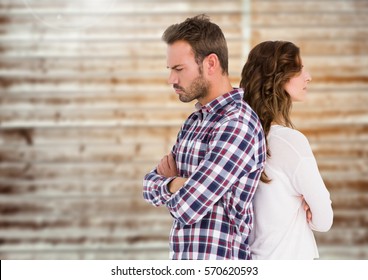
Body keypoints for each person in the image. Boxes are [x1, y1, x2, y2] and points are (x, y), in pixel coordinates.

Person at [142, 14, 266, 260]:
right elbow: (147, 186)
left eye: (178, 69)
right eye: (170, 70)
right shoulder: (194, 122)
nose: (171, 79)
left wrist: (171, 182)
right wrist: (176, 183)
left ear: (210, 64)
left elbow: (187, 207)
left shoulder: (237, 124)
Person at [240, 40, 333, 259]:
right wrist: (308, 207)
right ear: (278, 78)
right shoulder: (290, 142)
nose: (307, 76)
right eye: (299, 68)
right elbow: (324, 220)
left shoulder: (240, 138)